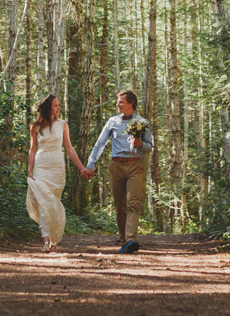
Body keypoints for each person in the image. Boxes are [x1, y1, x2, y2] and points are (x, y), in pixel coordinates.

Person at [84, 89, 153, 253]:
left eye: (121, 102)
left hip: (135, 165)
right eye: (118, 102)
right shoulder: (112, 122)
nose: (117, 104)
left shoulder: (142, 122)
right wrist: (90, 164)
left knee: (133, 203)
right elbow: (100, 144)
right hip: (116, 166)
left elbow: (149, 147)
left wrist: (140, 144)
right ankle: (124, 239)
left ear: (131, 104)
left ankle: (131, 239)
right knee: (120, 206)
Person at [26, 93, 90, 252]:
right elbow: (32, 150)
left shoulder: (63, 125)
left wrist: (82, 168)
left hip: (57, 167)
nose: (59, 107)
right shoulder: (35, 127)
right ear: (48, 108)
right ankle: (46, 240)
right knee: (43, 202)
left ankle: (53, 238)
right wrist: (29, 169)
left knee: (53, 203)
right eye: (56, 105)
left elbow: (69, 149)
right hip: (41, 166)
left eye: (59, 105)